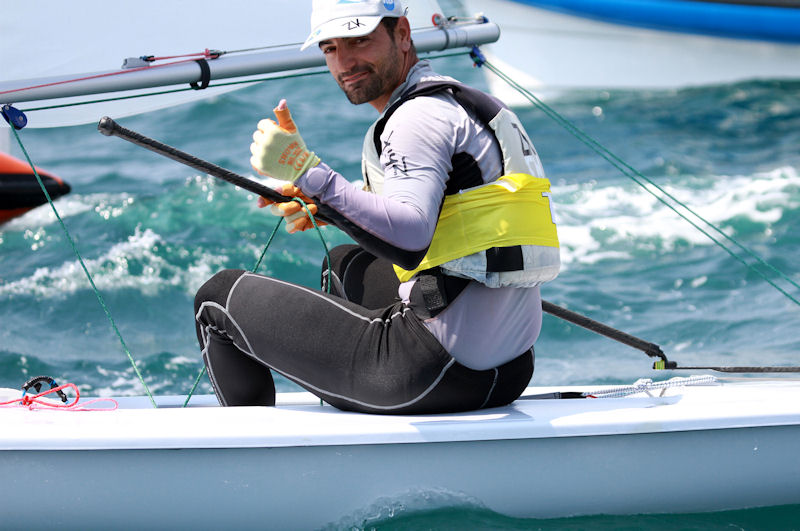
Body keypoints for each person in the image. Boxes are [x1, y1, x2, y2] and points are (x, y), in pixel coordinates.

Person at [193, 0, 560, 414]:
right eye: (330, 48)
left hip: (434, 374)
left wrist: (307, 170)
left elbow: (410, 238)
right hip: (509, 370)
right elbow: (442, 216)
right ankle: (357, 392)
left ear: (402, 34)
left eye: (359, 40)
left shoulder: (415, 119)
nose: (344, 61)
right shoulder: (461, 104)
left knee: (217, 298)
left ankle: (251, 463)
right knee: (345, 263)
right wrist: (324, 205)